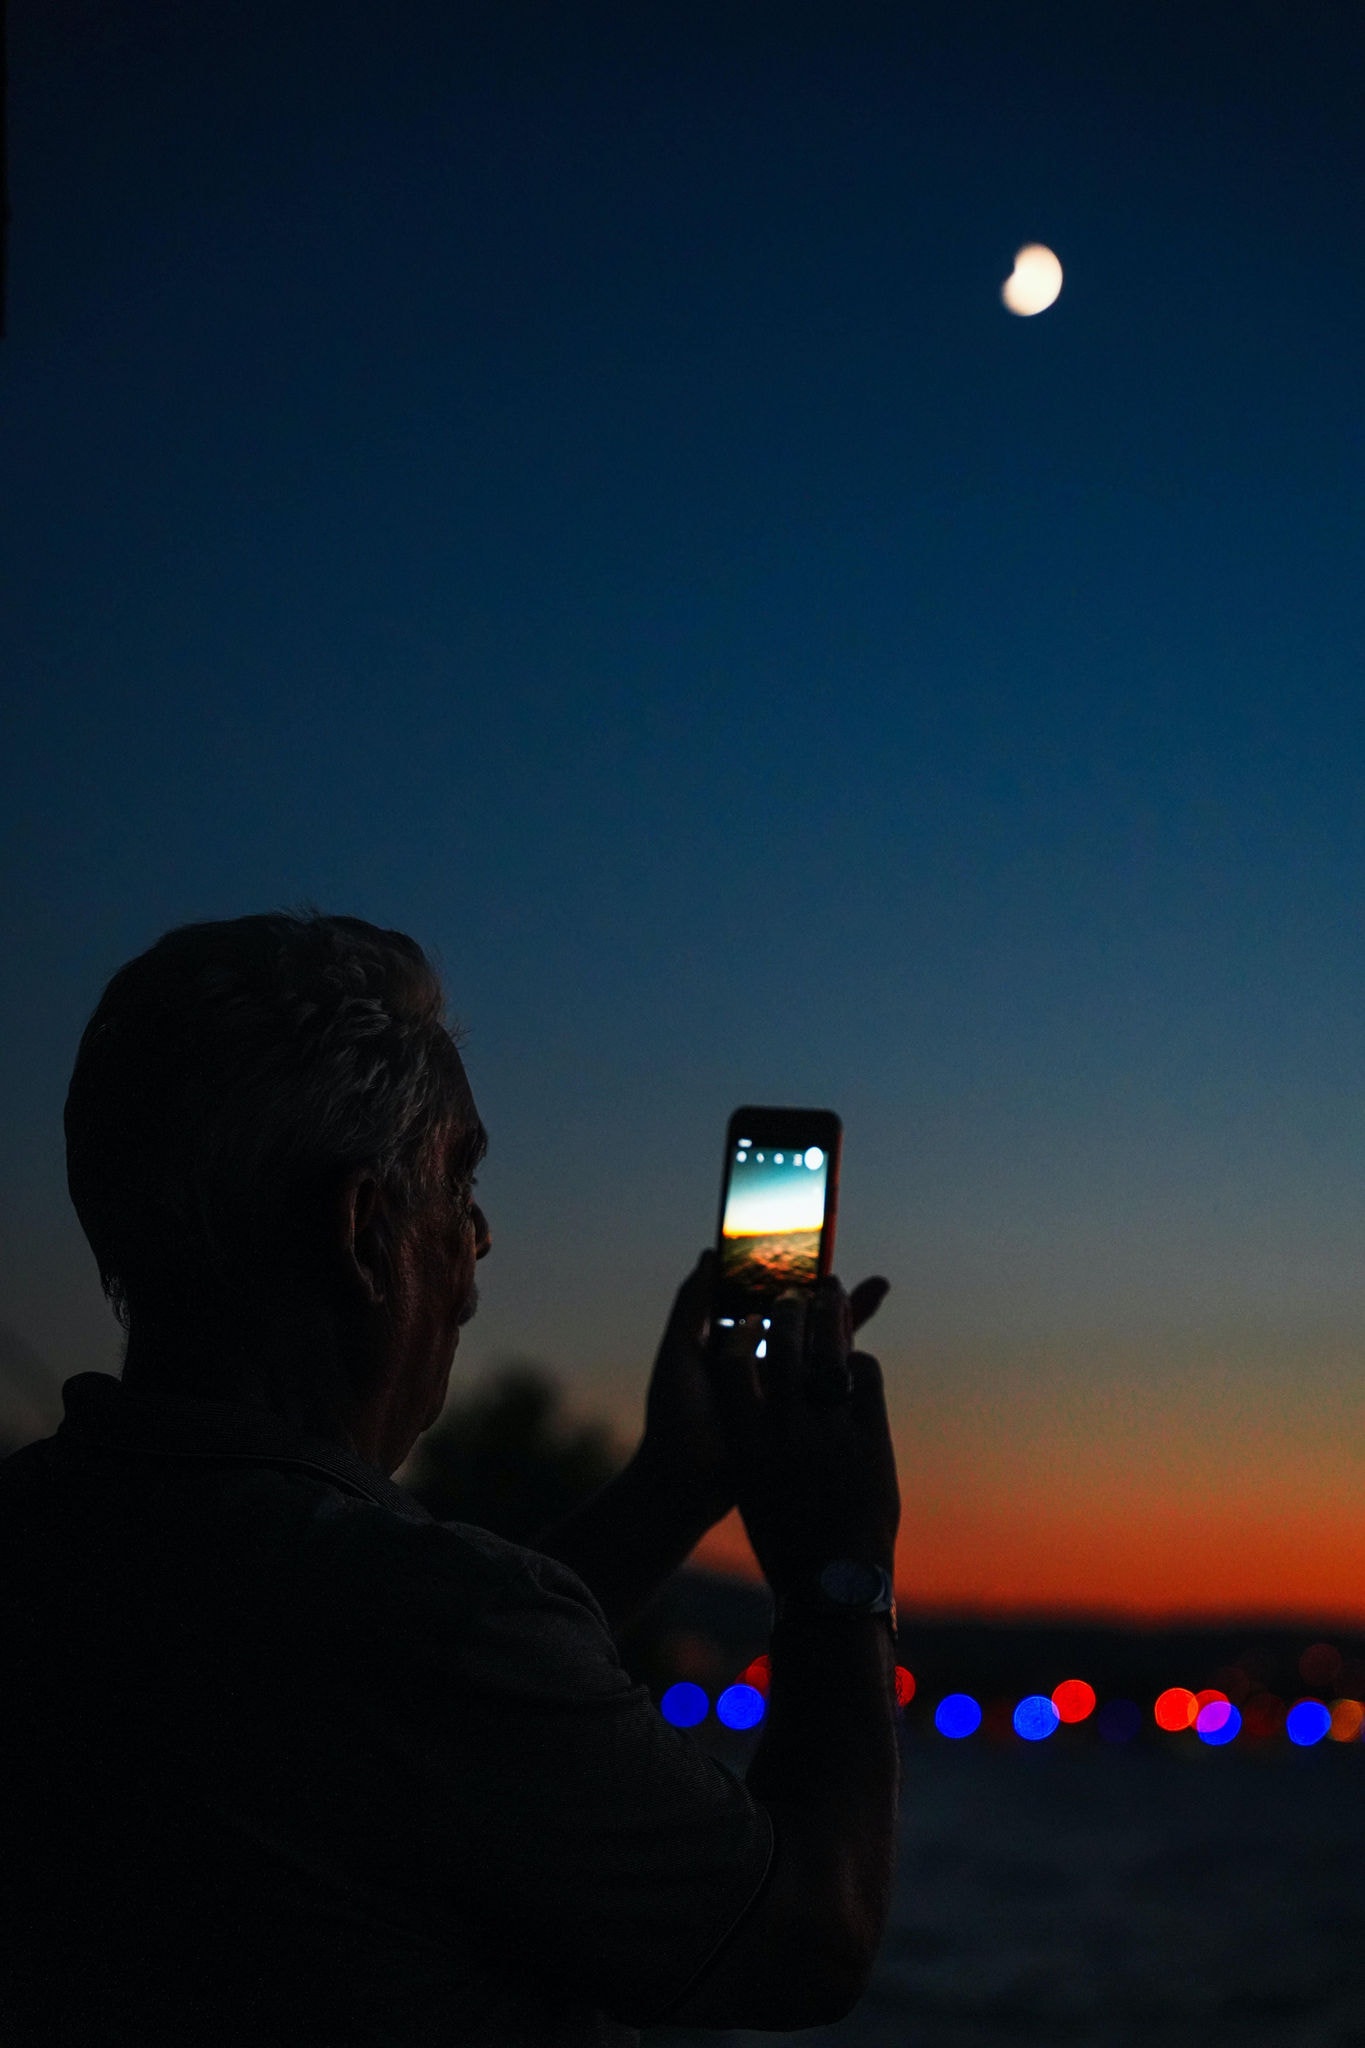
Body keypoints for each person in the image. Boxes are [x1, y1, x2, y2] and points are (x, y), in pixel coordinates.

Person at [0, 910, 902, 2047]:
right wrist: (842, 1569)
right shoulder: (420, 1630)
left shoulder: (46, 1537)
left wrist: (673, 1487)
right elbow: (808, 1938)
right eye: (458, 1184)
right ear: (364, 1228)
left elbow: (374, 1695)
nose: (478, 1242)